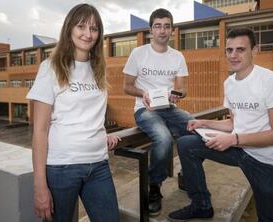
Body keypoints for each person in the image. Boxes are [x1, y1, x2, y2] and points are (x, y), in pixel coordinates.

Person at [168, 28, 273, 222]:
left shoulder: (271, 81)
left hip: (265, 160)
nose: (233, 55)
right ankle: (201, 205)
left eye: (240, 49)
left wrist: (234, 139)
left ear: (254, 51)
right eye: (229, 50)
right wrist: (204, 122)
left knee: (268, 218)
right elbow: (235, 122)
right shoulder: (229, 83)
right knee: (186, 144)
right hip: (238, 150)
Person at [26, 4, 120, 222]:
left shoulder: (98, 69)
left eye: (94, 29)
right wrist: (40, 185)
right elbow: (40, 130)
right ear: (69, 28)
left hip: (98, 164)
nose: (88, 34)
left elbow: (88, 113)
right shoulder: (50, 68)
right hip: (62, 167)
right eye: (81, 26)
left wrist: (100, 134)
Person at [123, 8, 194, 216]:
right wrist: (143, 93)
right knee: (163, 138)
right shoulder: (138, 53)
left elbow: (183, 89)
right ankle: (154, 187)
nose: (162, 30)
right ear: (150, 30)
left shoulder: (177, 56)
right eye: (157, 25)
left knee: (196, 128)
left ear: (172, 30)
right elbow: (127, 86)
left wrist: (177, 94)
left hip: (169, 107)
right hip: (145, 109)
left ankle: (186, 174)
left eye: (166, 26)